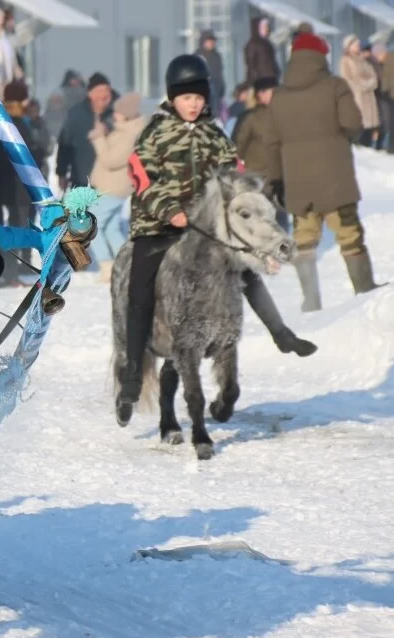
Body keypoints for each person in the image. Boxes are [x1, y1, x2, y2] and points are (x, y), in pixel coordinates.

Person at [118, 54, 315, 414]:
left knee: (244, 271)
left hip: (205, 228)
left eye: (198, 97)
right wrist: (169, 210)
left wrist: (252, 200)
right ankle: (132, 365)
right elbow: (142, 177)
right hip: (158, 224)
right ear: (172, 98)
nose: (193, 104)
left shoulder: (214, 135)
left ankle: (281, 333)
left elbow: (234, 176)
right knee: (140, 285)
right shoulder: (155, 133)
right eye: (186, 97)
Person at [269, 31, 386, 311]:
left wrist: (276, 180)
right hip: (336, 182)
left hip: (299, 185)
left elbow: (271, 142)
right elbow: (354, 124)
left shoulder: (279, 96)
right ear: (321, 56)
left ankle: (311, 303)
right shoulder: (335, 86)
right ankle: (365, 292)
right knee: (349, 236)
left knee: (305, 241)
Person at [88, 92, 146, 281]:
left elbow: (111, 160)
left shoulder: (130, 134)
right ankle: (127, 263)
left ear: (127, 114)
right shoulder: (125, 130)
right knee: (111, 227)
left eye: (118, 112)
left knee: (91, 225)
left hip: (113, 188)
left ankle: (107, 267)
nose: (114, 115)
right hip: (111, 186)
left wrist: (99, 139)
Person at [232, 76, 285, 229]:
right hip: (256, 178)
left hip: (280, 177)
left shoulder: (287, 115)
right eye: (269, 91)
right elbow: (237, 146)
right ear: (259, 95)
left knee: (279, 221)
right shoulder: (250, 117)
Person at [56, 72, 114, 192]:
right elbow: (64, 144)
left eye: (107, 91)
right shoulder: (76, 114)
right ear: (90, 94)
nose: (104, 95)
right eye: (99, 91)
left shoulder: (116, 116)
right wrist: (61, 173)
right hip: (81, 182)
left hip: (109, 186)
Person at [340, 35, 380, 147]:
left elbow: (373, 76)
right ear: (349, 47)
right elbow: (349, 79)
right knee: (360, 125)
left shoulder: (363, 60)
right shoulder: (346, 61)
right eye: (356, 45)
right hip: (357, 97)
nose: (358, 47)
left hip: (369, 98)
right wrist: (365, 84)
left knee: (369, 129)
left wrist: (370, 82)